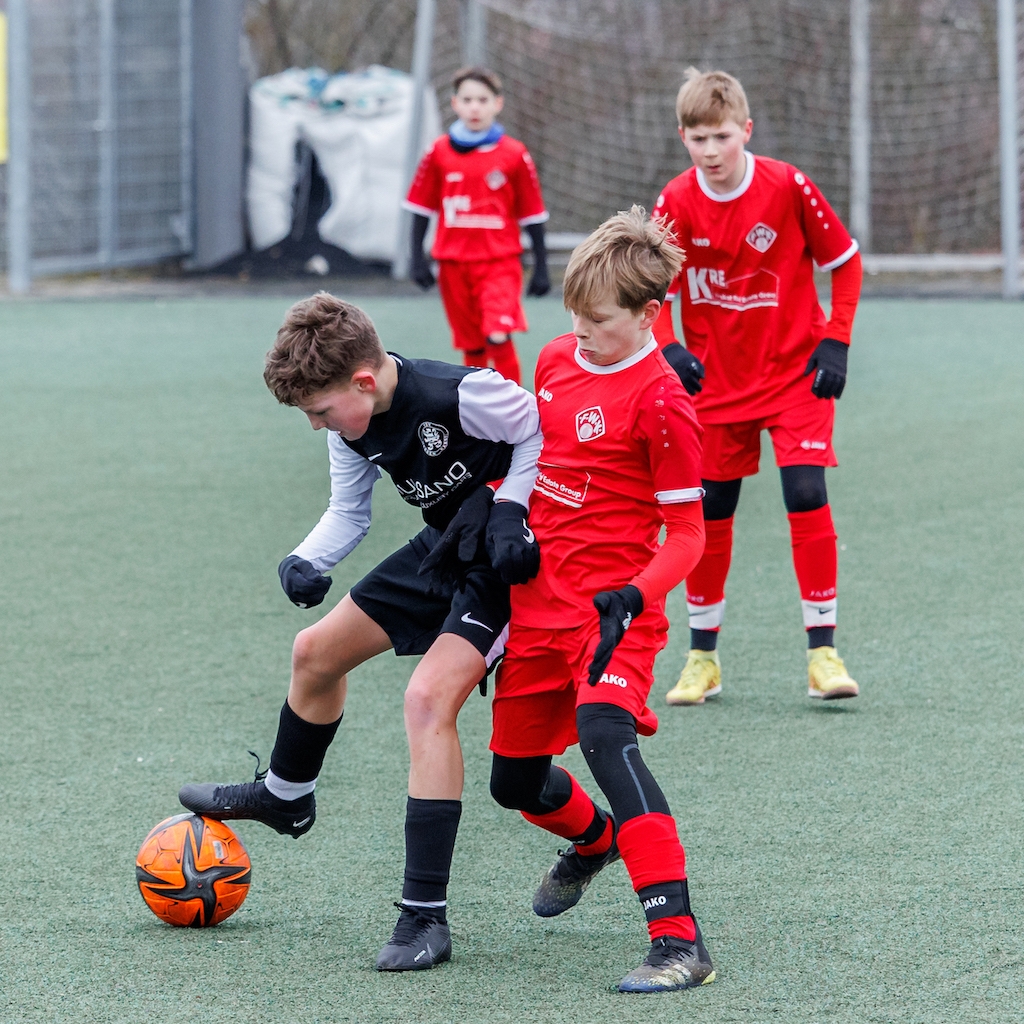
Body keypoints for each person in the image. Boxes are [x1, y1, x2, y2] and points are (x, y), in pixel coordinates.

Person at [178, 293, 542, 972]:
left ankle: (426, 917)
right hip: (446, 547)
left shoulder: (463, 393)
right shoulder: (353, 425)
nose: (316, 425)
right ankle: (286, 795)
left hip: (510, 565)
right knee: (315, 652)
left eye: (318, 411)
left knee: (426, 701)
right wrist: (306, 560)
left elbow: (544, 433)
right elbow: (349, 511)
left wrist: (507, 506)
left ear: (364, 381)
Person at [487, 207, 716, 993]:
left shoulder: (663, 401)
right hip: (537, 607)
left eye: (599, 319)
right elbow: (530, 461)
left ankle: (678, 941)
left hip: (616, 613)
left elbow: (688, 534)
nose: (580, 331)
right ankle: (594, 841)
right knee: (514, 784)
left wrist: (636, 593)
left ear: (650, 314)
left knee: (605, 737)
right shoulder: (555, 358)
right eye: (575, 314)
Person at [651, 68, 863, 707]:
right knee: (712, 510)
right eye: (698, 138)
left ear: (746, 130)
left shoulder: (788, 185)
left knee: (806, 491)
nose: (711, 151)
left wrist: (836, 338)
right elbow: (653, 291)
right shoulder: (675, 201)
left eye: (721, 136)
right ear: (683, 137)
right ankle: (702, 658)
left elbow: (846, 262)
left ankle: (823, 654)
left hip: (796, 375)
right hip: (715, 385)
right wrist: (670, 346)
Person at [402, 65, 550, 385]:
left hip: (499, 261)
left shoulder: (514, 154)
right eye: (467, 100)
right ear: (455, 103)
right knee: (472, 344)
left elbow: (533, 215)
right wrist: (416, 258)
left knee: (498, 334)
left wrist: (541, 265)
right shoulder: (438, 152)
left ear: (498, 104)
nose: (474, 107)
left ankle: (513, 405)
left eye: (482, 100)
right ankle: (478, 406)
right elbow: (420, 209)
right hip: (453, 263)